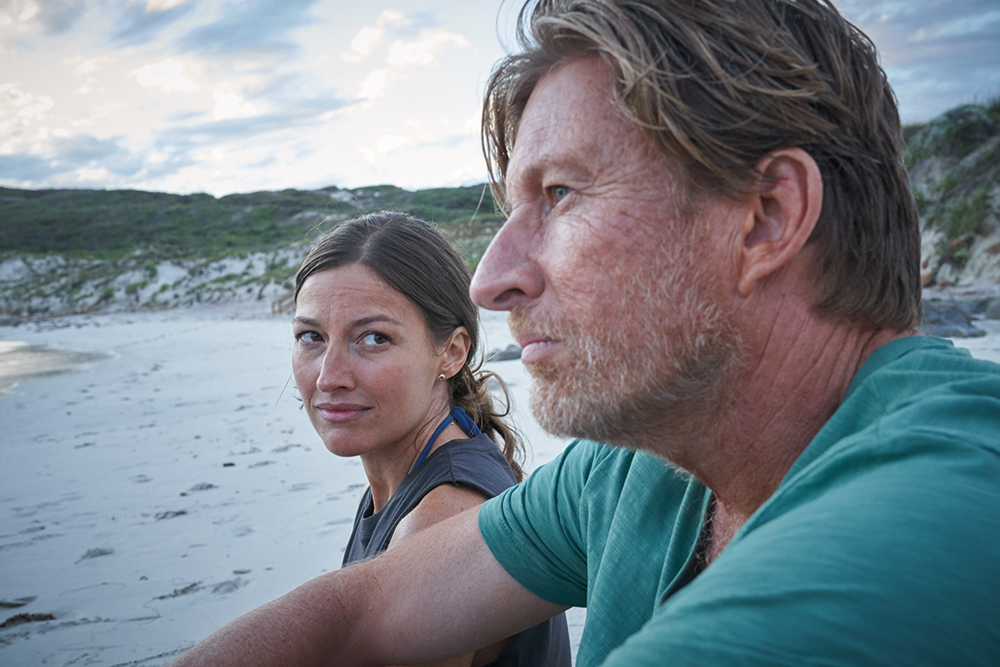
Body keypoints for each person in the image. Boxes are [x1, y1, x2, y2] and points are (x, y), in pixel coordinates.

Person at [172, 1, 1000, 665]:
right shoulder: (641, 468)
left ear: (766, 218)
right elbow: (361, 614)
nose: (491, 279)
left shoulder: (945, 506)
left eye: (560, 193)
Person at [290, 212, 570, 667]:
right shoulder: (413, 473)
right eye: (311, 337)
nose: (329, 377)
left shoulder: (441, 514)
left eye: (374, 338)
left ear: (452, 352)